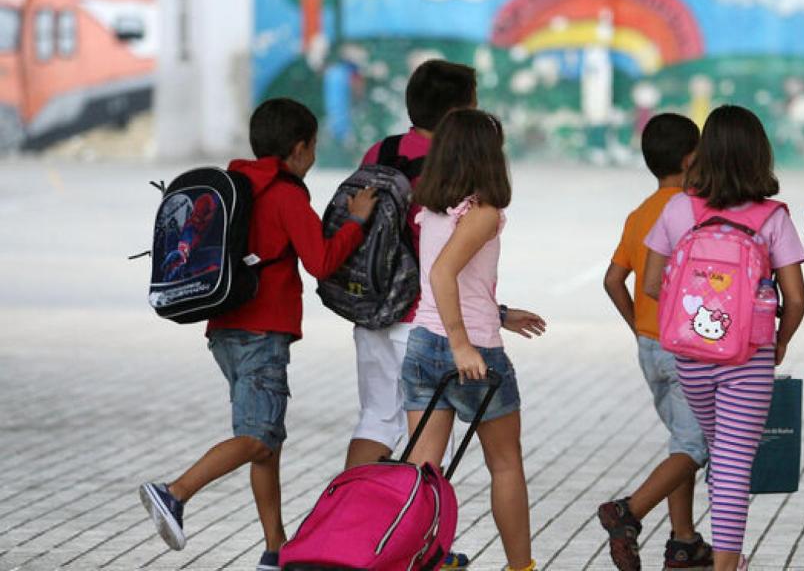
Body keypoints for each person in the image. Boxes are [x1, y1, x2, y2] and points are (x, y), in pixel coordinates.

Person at [139, 97, 378, 571]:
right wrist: (356, 221)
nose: (312, 156)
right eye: (312, 147)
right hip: (262, 331)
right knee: (256, 438)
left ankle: (276, 549)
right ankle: (174, 493)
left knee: (267, 445)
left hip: (223, 328)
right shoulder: (287, 194)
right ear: (299, 148)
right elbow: (322, 262)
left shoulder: (236, 184)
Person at [643, 105, 804, 571]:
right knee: (734, 466)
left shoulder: (680, 209)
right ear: (760, 156)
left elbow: (653, 284)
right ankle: (726, 565)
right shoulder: (773, 218)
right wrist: (780, 341)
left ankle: (729, 557)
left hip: (691, 357)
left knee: (721, 456)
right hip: (748, 358)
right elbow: (795, 298)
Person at [346, 59, 479, 569]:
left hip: (372, 309)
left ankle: (353, 530)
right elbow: (451, 252)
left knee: (375, 420)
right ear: (457, 110)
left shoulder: (380, 151)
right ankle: (420, 549)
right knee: (427, 442)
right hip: (423, 317)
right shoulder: (453, 160)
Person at [401, 108, 545, 571]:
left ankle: (428, 558)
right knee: (505, 464)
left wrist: (500, 314)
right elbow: (444, 274)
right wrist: (464, 344)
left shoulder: (433, 210)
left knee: (425, 472)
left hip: (424, 344)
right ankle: (520, 566)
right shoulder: (483, 212)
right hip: (473, 353)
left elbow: (454, 280)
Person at [597, 113, 714, 570]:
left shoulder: (640, 212)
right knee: (693, 447)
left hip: (650, 346)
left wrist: (638, 326)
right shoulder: (693, 210)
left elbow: (613, 280)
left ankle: (683, 542)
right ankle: (628, 512)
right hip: (686, 348)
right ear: (691, 160)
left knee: (681, 444)